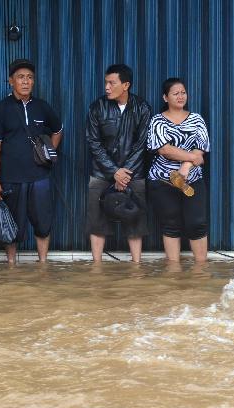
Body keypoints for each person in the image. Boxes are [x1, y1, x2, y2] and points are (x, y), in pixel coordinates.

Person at [0, 58, 63, 264]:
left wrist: (49, 153)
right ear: (11, 81)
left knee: (43, 224)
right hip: (11, 178)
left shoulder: (42, 107)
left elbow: (58, 130)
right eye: (20, 77)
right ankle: (12, 265)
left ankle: (43, 265)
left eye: (30, 77)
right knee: (12, 225)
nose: (26, 81)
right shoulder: (0, 109)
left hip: (40, 177)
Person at [85, 64, 153, 263]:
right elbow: (93, 142)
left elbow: (142, 143)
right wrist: (114, 171)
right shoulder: (97, 107)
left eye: (111, 83)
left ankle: (136, 267)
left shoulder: (142, 107)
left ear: (126, 85)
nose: (106, 87)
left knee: (135, 221)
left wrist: (125, 173)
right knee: (97, 223)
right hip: (101, 173)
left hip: (134, 173)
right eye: (106, 82)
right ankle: (96, 266)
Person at [147, 77, 211, 262]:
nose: (181, 96)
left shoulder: (197, 119)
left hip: (192, 179)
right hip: (162, 181)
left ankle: (201, 270)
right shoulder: (157, 121)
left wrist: (185, 167)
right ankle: (174, 272)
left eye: (183, 92)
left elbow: (201, 146)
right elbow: (164, 149)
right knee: (170, 224)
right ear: (165, 97)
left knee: (197, 223)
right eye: (176, 93)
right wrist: (192, 158)